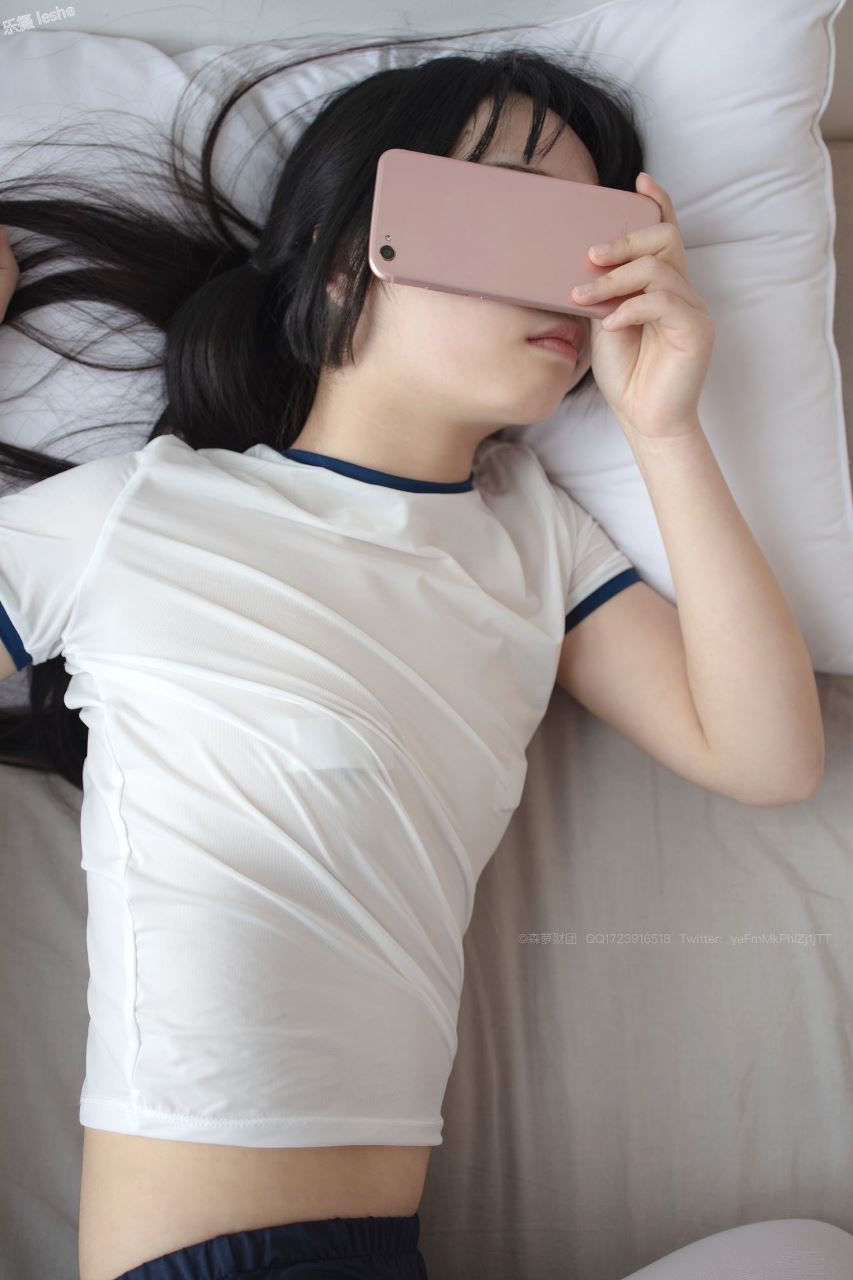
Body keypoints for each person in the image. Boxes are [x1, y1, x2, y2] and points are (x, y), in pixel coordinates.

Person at [0, 24, 826, 1280]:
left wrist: (664, 428)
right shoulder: (139, 513)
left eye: (599, 235)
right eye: (519, 217)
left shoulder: (536, 538)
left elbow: (766, 755)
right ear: (349, 255)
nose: (576, 279)